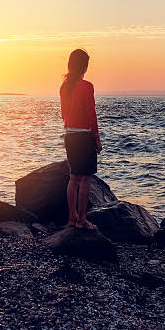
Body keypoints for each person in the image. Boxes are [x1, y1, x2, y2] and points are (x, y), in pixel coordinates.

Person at [60, 49, 102, 230]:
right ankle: (81, 220)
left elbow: (63, 114)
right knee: (85, 179)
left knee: (73, 177)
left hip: (70, 135)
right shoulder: (87, 86)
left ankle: (72, 218)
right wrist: (97, 138)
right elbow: (91, 115)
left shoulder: (64, 87)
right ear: (84, 65)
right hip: (84, 135)